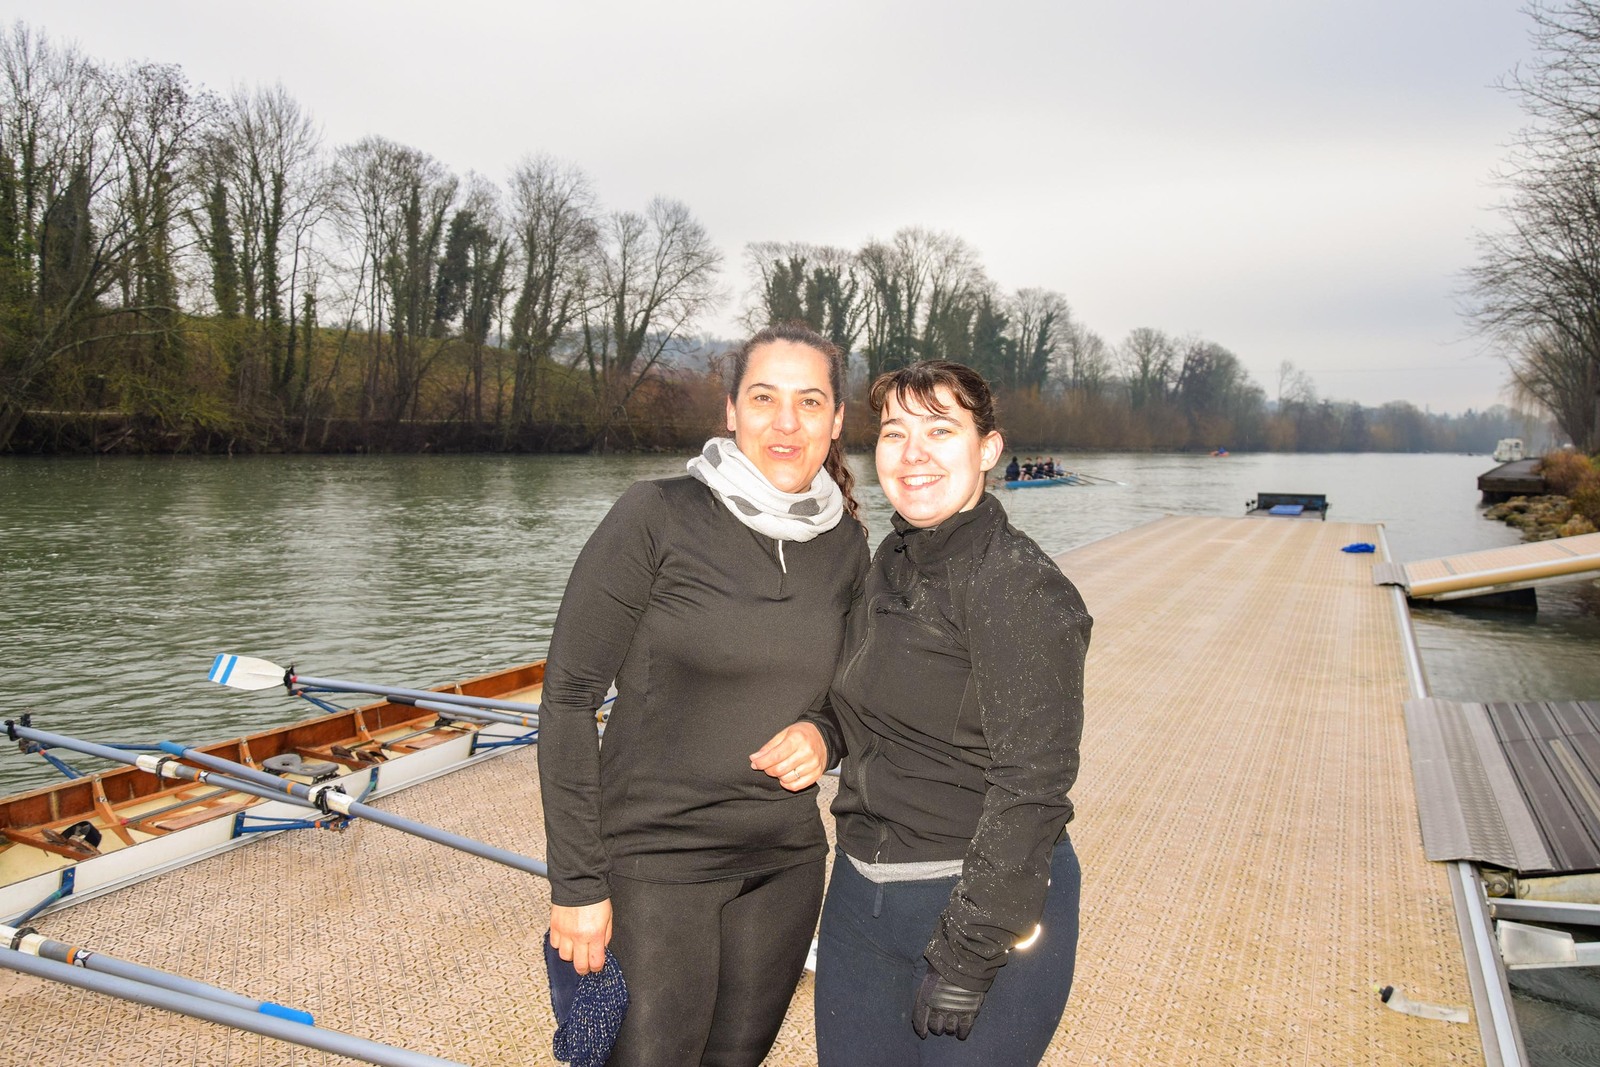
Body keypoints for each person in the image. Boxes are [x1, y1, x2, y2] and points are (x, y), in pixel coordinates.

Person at [539, 323, 869, 1067]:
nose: (786, 423)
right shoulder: (655, 514)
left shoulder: (846, 543)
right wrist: (578, 884)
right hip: (654, 861)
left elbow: (855, 695)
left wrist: (824, 735)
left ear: (836, 421)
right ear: (731, 410)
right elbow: (568, 699)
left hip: (785, 864)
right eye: (764, 398)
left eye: (809, 401)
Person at [815, 360, 1091, 1066]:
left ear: (988, 449)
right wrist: (820, 734)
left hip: (978, 906)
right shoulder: (891, 560)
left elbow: (1033, 787)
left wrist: (969, 951)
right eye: (895, 432)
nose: (913, 453)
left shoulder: (1018, 586)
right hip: (861, 902)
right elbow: (868, 703)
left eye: (940, 430)